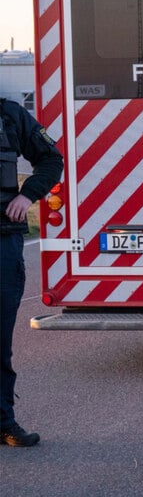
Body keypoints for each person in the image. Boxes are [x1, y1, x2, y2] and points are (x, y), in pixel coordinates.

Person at [1, 98, 63, 447]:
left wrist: (28, 196)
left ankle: (4, 423)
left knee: (0, 344)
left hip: (3, 242)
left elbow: (51, 159)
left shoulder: (9, 113)